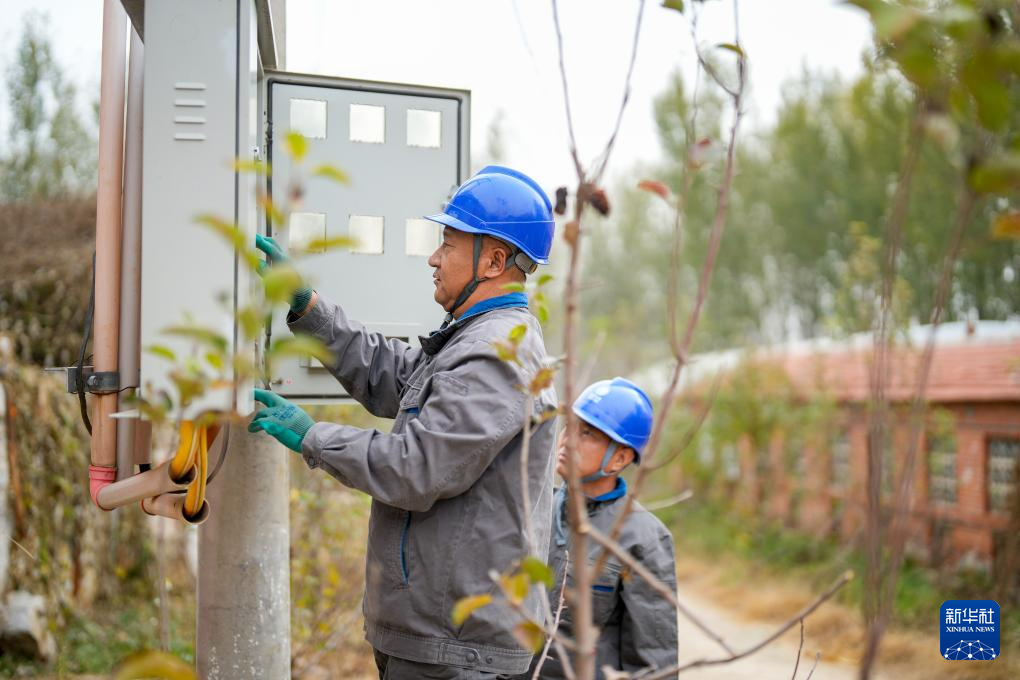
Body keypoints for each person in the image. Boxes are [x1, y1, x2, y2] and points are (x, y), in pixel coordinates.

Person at [250, 166, 560, 680]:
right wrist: (309, 307)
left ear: (494, 261)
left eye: (448, 244)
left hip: (456, 649)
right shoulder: (475, 339)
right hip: (441, 638)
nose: (434, 259)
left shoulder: (494, 355)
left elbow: (416, 469)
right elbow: (392, 378)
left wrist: (314, 436)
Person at [526, 378, 678, 679]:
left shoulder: (644, 538)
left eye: (587, 434)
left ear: (619, 459)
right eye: (569, 427)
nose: (568, 440)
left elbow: (652, 662)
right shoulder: (533, 510)